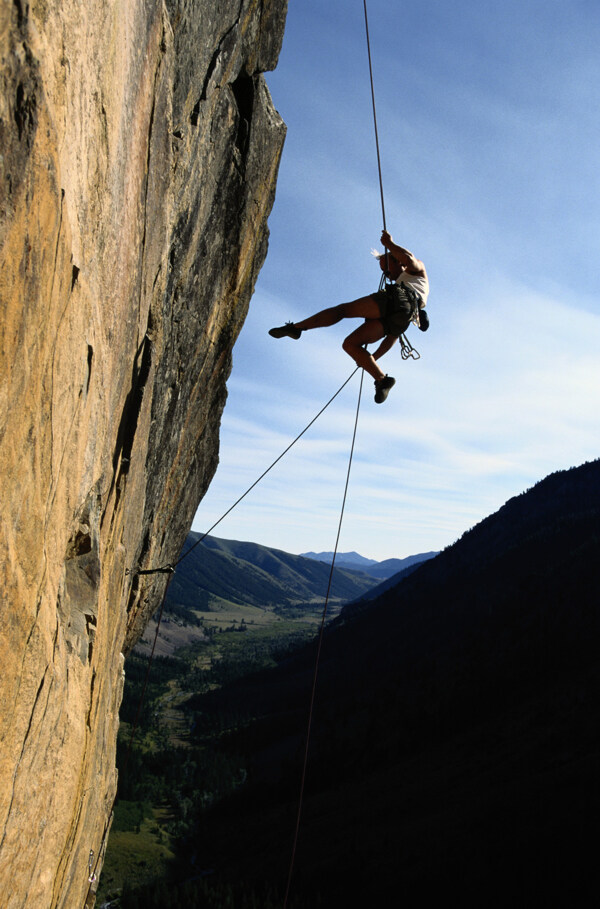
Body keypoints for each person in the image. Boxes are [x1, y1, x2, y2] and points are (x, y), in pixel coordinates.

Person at [269, 230, 429, 403]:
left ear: (398, 262)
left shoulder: (416, 271)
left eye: (387, 269)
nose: (386, 275)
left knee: (343, 311)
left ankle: (296, 328)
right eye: (384, 271)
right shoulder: (409, 285)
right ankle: (382, 380)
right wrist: (371, 360)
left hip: (399, 300)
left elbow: (409, 258)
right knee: (350, 344)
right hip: (403, 318)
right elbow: (392, 337)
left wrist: (389, 244)